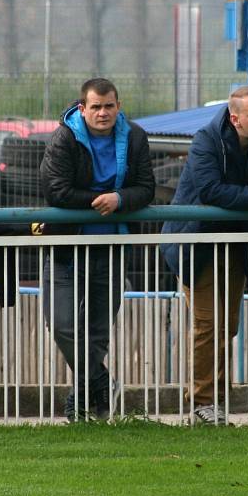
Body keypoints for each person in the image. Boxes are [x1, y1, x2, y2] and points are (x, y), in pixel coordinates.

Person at [160, 85, 248, 425]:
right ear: (235, 119)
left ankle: (212, 401)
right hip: (196, 243)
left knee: (227, 326)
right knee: (209, 325)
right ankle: (204, 404)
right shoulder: (206, 140)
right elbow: (211, 191)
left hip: (233, 244)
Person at [39, 78, 155, 422]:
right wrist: (96, 201)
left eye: (109, 106)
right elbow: (55, 190)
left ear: (118, 107)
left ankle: (82, 403)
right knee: (62, 325)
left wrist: (120, 199)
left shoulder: (134, 136)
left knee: (97, 332)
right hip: (66, 246)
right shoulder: (65, 137)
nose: (102, 113)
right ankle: (102, 381)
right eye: (95, 107)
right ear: (82, 108)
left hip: (113, 245)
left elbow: (146, 188)